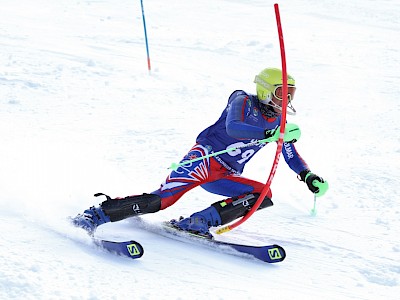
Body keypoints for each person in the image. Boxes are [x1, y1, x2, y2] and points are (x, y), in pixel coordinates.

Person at [72, 68, 329, 238]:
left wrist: (307, 176)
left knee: (262, 194)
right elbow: (234, 127)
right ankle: (96, 214)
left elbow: (289, 153)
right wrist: (266, 135)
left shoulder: (279, 122)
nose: (286, 100)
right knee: (161, 201)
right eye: (281, 93)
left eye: (290, 94)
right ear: (264, 91)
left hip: (225, 174)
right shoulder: (242, 100)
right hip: (203, 160)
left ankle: (198, 222)